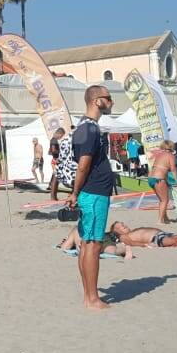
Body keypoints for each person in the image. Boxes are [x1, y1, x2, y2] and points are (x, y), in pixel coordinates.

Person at [67, 85, 115, 310]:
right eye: (108, 98)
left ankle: (90, 296)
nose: (112, 102)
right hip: (93, 194)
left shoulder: (87, 127)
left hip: (92, 193)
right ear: (97, 101)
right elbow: (83, 165)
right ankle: (92, 298)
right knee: (93, 245)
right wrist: (75, 193)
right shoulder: (89, 130)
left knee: (87, 244)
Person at [146, 140, 177, 224]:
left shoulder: (159, 155)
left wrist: (167, 182)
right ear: (172, 147)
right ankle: (160, 220)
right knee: (165, 200)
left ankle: (165, 218)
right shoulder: (170, 156)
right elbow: (173, 169)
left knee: (162, 200)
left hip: (151, 178)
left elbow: (160, 168)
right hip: (159, 179)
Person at [48, 128, 65, 200]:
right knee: (55, 178)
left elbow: (50, 151)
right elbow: (53, 150)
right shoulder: (54, 140)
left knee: (55, 177)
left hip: (55, 160)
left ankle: (53, 196)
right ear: (59, 133)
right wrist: (62, 151)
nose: (61, 137)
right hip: (56, 160)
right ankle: (53, 197)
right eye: (61, 136)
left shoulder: (53, 140)